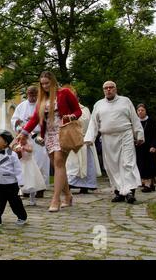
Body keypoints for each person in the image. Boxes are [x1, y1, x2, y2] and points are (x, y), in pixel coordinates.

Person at [16, 71, 81, 212]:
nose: (45, 86)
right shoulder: (42, 99)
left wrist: (71, 116)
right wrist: (23, 133)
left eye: (47, 83)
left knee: (58, 161)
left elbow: (78, 111)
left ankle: (55, 199)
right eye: (42, 84)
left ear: (53, 82)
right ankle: (68, 196)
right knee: (59, 165)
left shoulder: (65, 93)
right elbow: (34, 119)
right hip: (49, 135)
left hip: (64, 132)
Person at [84, 81, 144, 204]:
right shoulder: (99, 105)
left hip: (125, 135)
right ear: (103, 90)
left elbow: (134, 118)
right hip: (107, 138)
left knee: (128, 162)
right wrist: (90, 138)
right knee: (112, 166)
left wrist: (139, 134)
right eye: (106, 88)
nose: (108, 90)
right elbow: (93, 123)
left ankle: (129, 192)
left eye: (111, 87)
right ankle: (119, 191)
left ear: (116, 89)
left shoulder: (125, 101)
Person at [11, 85, 50, 195]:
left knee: (40, 162)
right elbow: (14, 120)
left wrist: (35, 121)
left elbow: (47, 120)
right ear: (27, 94)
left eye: (34, 95)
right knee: (26, 165)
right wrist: (18, 125)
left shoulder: (42, 105)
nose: (32, 97)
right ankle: (26, 188)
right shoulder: (21, 106)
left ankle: (40, 188)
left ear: (37, 94)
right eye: (30, 95)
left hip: (39, 136)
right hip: (25, 138)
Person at [63, 85, 102, 194]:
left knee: (86, 163)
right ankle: (69, 184)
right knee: (71, 164)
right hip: (69, 140)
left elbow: (87, 122)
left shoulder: (84, 109)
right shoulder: (64, 109)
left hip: (83, 140)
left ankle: (85, 185)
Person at [135, 104, 156, 192]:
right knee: (141, 165)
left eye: (142, 110)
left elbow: (155, 136)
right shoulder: (135, 121)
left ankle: (148, 185)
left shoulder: (151, 121)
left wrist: (154, 146)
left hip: (149, 147)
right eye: (139, 110)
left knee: (149, 166)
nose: (140, 112)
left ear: (145, 111)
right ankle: (149, 184)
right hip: (139, 147)